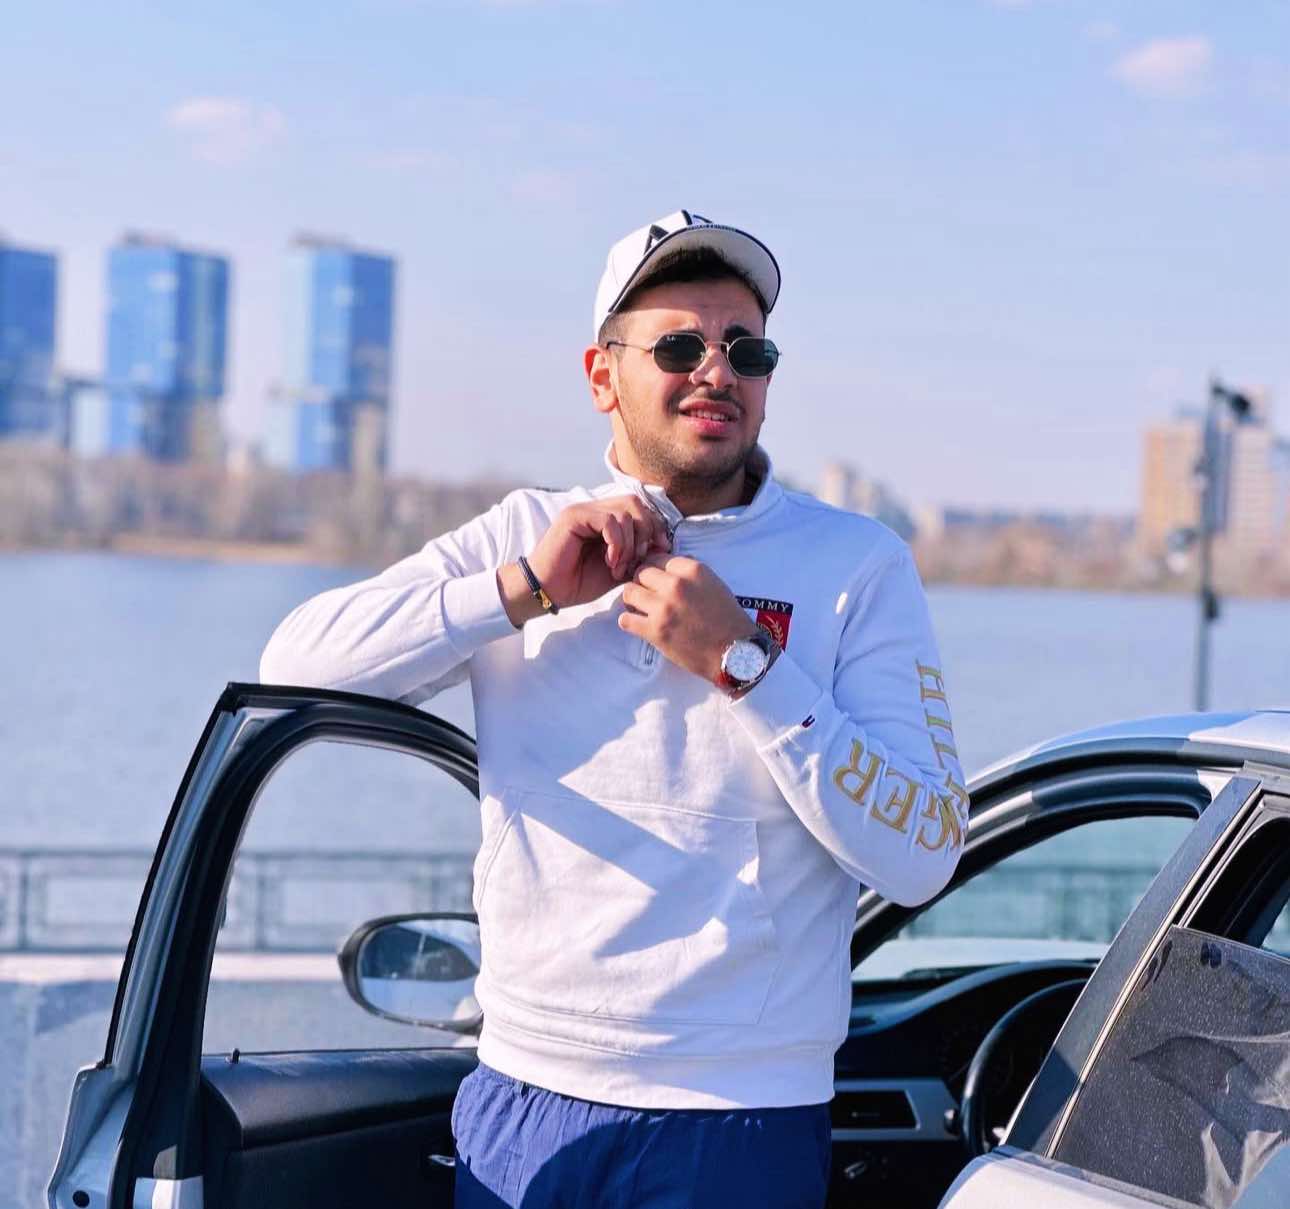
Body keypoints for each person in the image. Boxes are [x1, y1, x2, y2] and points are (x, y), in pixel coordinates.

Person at [259, 209, 968, 1208]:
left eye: (748, 350)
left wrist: (749, 666)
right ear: (603, 376)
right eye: (679, 347)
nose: (717, 371)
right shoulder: (524, 533)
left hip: (742, 1112)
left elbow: (925, 847)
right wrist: (523, 590)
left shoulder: (856, 564)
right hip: (526, 1094)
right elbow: (296, 668)